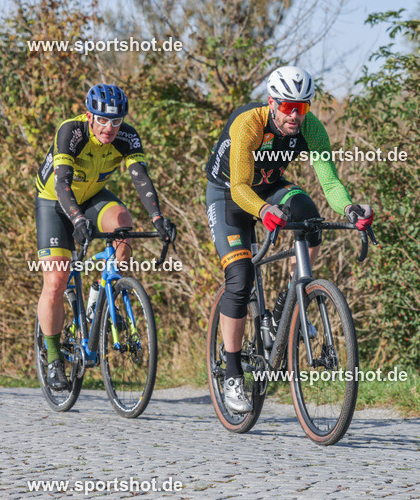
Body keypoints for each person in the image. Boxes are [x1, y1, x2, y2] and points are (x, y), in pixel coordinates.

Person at [205, 65, 373, 414]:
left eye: (303, 107)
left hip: (270, 187)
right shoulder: (249, 123)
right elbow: (239, 187)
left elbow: (329, 182)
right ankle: (233, 371)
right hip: (228, 195)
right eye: (287, 107)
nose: (296, 115)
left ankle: (291, 302)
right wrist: (262, 210)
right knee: (240, 279)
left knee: (308, 213)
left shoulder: (311, 128)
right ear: (272, 103)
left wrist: (350, 209)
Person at [35, 84, 175, 390]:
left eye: (116, 121)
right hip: (55, 203)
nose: (110, 128)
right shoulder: (71, 132)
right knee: (57, 281)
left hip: (94, 197)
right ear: (89, 116)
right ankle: (55, 358)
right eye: (102, 120)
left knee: (123, 226)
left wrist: (158, 218)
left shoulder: (127, 136)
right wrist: (76, 219)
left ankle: (107, 296)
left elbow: (140, 177)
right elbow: (61, 184)